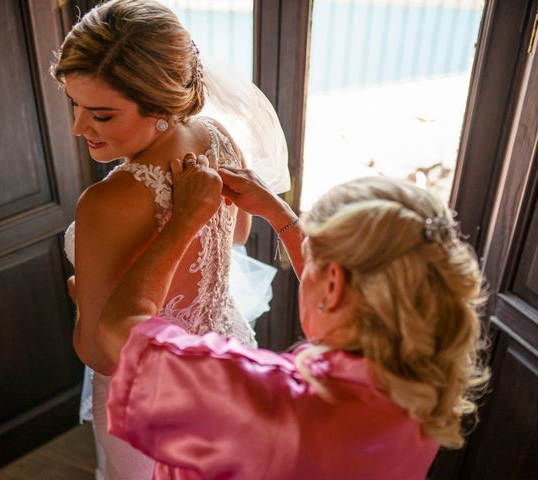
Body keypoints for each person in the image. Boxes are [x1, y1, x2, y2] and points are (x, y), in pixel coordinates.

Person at [92, 155, 490, 479]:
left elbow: (117, 329)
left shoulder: (266, 401)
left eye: (313, 260)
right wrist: (277, 212)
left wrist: (185, 220)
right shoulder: (422, 381)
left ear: (333, 285)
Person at [50, 1, 286, 478]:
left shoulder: (107, 200)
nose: (79, 127)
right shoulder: (215, 137)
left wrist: (81, 300)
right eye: (75, 105)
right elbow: (237, 235)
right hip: (222, 355)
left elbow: (101, 351)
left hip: (148, 392)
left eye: (101, 114)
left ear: (159, 104)